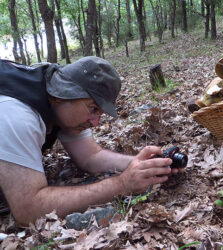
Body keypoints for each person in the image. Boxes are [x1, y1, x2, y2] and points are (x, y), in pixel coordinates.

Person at [0, 56, 182, 226]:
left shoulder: (59, 102)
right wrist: (122, 184)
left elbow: (91, 156)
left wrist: (145, 165)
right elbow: (28, 209)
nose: (96, 123)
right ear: (63, 93)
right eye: (93, 108)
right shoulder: (16, 114)